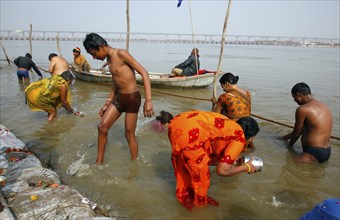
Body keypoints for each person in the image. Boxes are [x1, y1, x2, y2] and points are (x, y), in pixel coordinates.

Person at [160, 110, 260, 211]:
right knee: (202, 179)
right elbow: (222, 171)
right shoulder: (240, 137)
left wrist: (233, 162)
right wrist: (247, 167)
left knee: (189, 166)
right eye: (252, 139)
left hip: (177, 124)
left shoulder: (230, 124)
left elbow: (209, 157)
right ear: (250, 137)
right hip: (189, 135)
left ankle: (186, 195)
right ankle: (198, 209)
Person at [83, 33, 154, 164]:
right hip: (119, 98)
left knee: (129, 134)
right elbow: (116, 83)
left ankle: (135, 165)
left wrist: (148, 100)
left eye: (94, 54)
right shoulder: (108, 60)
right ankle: (99, 162)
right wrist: (107, 103)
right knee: (102, 127)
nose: (94, 57)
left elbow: (144, 72)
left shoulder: (121, 53)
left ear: (101, 47)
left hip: (132, 98)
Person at [281, 82, 333, 163]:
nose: (294, 100)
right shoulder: (323, 106)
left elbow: (296, 133)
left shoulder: (303, 109)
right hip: (326, 151)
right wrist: (284, 138)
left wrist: (289, 147)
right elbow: (305, 129)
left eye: (294, 97)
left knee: (287, 163)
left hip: (312, 152)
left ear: (298, 94)